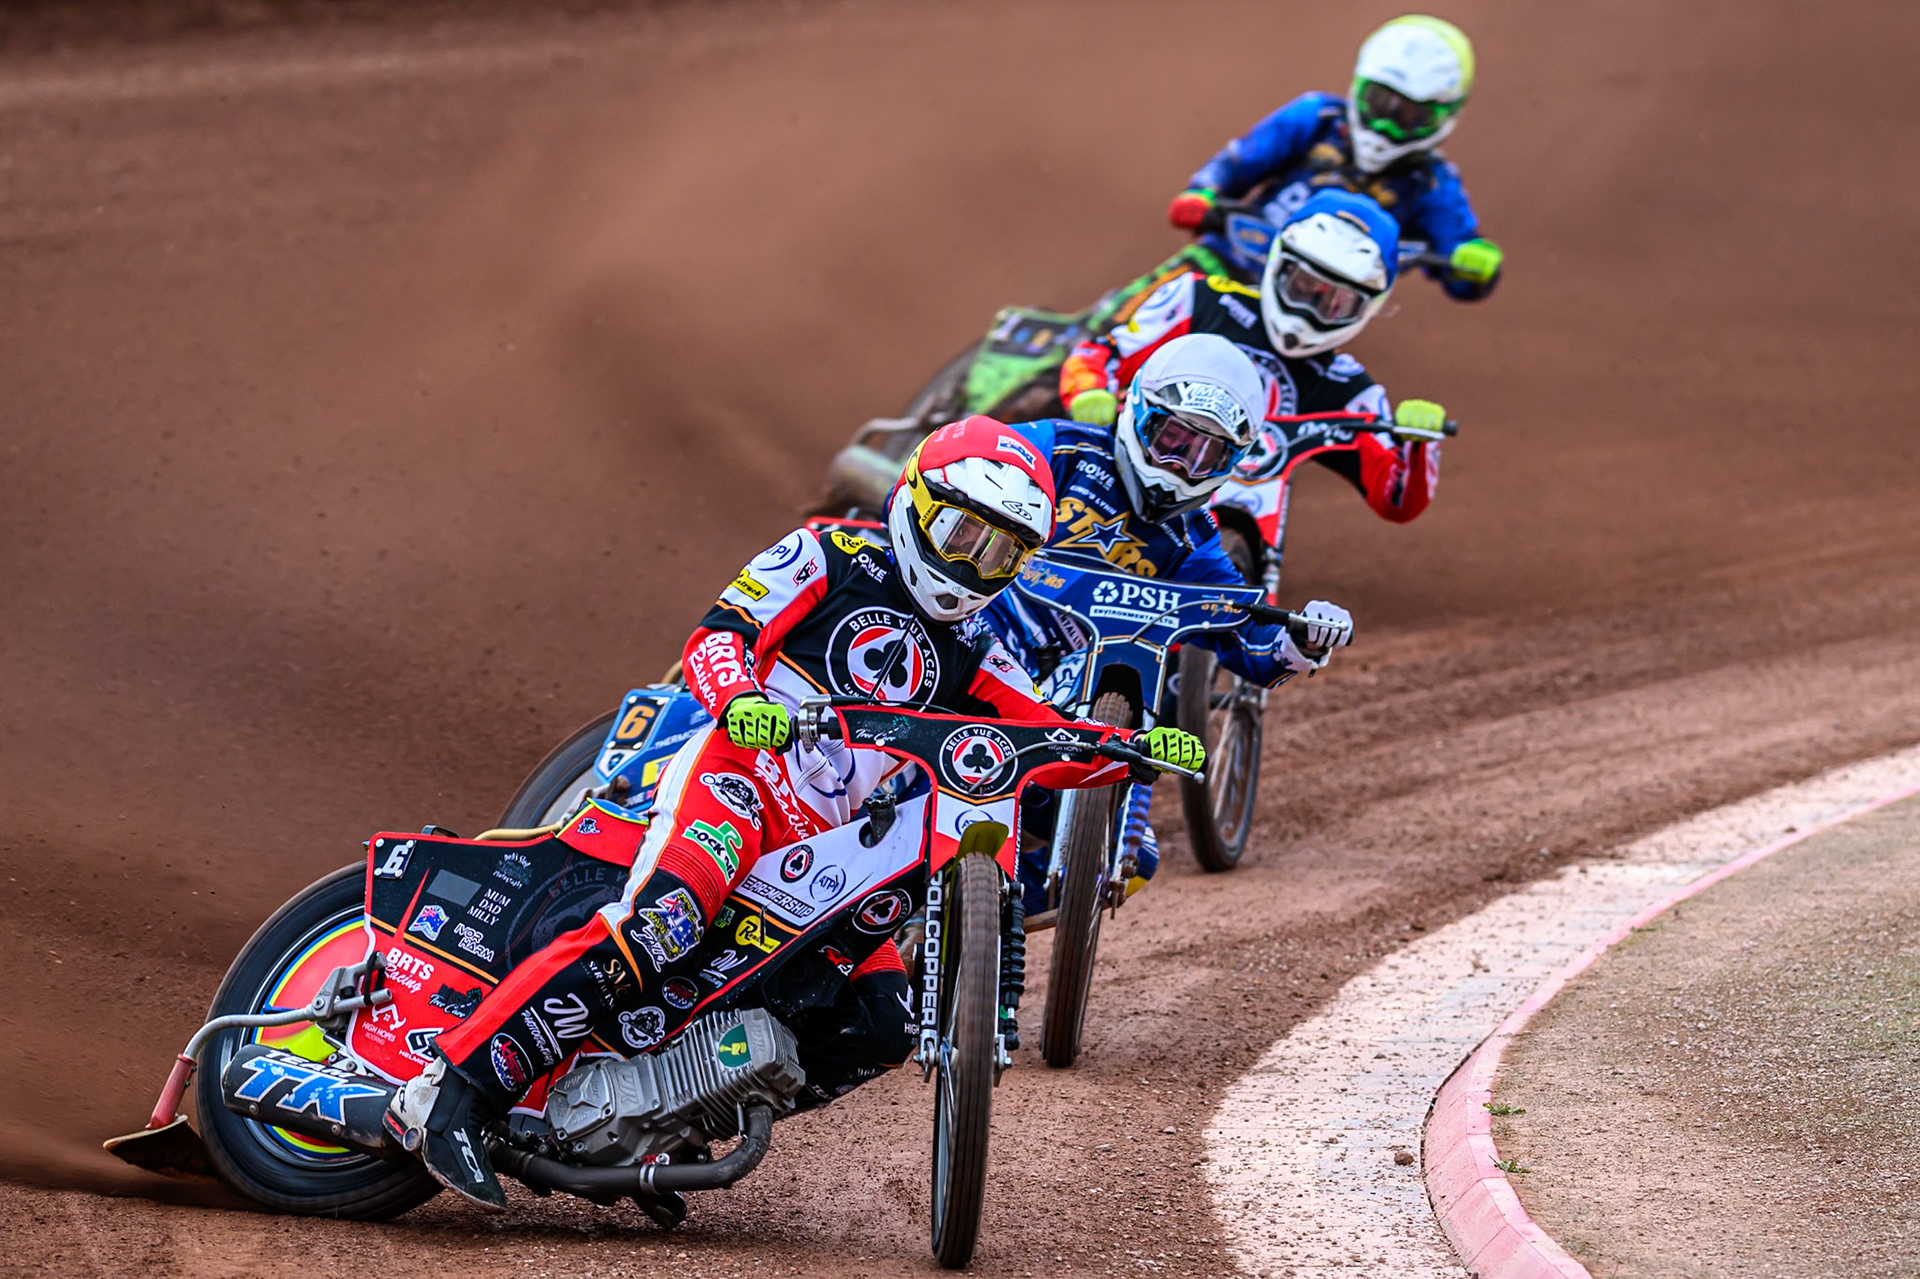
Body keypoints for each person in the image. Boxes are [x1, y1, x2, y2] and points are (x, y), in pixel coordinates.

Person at [385, 415, 1208, 1211]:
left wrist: (1131, 748)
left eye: (1001, 553)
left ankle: (660, 1124)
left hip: (831, 850)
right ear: (916, 502)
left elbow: (1043, 733)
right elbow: (721, 634)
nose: (973, 564)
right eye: (962, 534)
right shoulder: (827, 551)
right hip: (739, 781)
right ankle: (448, 1091)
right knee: (665, 920)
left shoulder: (978, 646)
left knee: (884, 1023)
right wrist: (741, 699)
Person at [987, 334, 1356, 913]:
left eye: (1208, 455)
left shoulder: (1195, 542)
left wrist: (1304, 638)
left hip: (1068, 694)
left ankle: (985, 918)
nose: (1182, 466)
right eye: (1174, 440)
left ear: (1232, 463)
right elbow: (965, 474)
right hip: (975, 643)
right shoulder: (1060, 451)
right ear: (1139, 413)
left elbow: (1253, 645)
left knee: (1136, 860)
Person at [1060, 189, 1449, 530]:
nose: (1310, 309)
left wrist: (1417, 444)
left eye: (1337, 301)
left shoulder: (1348, 389)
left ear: (1368, 306)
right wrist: (1089, 390)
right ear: (1279, 264)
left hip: (1242, 514)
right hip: (1128, 478)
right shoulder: (1202, 300)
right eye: (1303, 285)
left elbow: (1396, 500)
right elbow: (1103, 353)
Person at [1166, 14, 1502, 302]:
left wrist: (1475, 261)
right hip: (1226, 261)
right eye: (1379, 103)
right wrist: (1202, 193)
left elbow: (1459, 261)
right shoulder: (1316, 117)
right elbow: (1236, 164)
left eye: (1412, 117)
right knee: (1141, 314)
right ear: (1358, 87)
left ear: (1446, 116)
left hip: (1311, 308)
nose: (1387, 126)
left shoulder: (1432, 182)